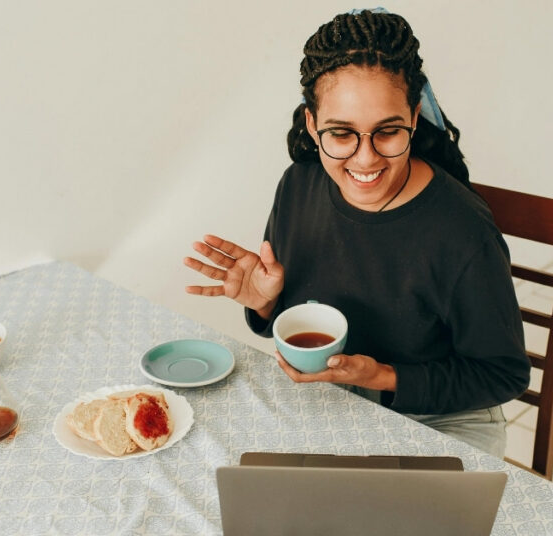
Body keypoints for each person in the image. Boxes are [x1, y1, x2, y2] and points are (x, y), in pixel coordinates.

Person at [184, 8, 528, 457]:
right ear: (312, 124)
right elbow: (312, 324)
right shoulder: (299, 185)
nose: (366, 159)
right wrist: (266, 303)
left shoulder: (463, 232)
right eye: (342, 134)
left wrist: (381, 377)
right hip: (338, 400)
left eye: (387, 132)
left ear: (414, 118)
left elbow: (502, 374)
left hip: (443, 417)